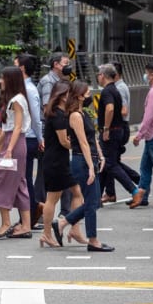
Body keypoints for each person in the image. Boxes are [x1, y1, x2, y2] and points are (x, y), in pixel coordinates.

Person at [56, 80, 113, 252]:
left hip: (91, 159)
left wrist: (101, 156)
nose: (90, 94)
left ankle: (64, 222)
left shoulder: (84, 113)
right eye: (87, 92)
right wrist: (90, 167)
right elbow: (83, 143)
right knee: (91, 202)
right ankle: (93, 240)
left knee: (94, 202)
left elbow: (92, 138)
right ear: (79, 95)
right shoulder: (75, 116)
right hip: (82, 161)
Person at [0, 66, 33, 239]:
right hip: (13, 143)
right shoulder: (13, 99)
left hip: (14, 144)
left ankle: (6, 223)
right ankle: (26, 225)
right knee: (20, 184)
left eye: (3, 78)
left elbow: (17, 127)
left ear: (10, 80)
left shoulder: (17, 100)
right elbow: (6, 129)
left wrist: (8, 149)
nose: (0, 81)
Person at [39, 81, 85, 248]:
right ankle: (47, 234)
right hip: (56, 162)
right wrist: (79, 145)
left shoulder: (57, 113)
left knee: (76, 193)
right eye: (69, 94)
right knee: (53, 198)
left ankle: (74, 228)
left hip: (59, 161)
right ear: (62, 95)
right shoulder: (57, 115)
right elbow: (64, 141)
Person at [96, 64, 144, 208]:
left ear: (103, 76)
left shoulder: (107, 91)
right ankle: (97, 196)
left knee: (110, 164)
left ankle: (134, 190)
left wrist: (106, 128)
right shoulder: (114, 89)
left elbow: (110, 109)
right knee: (105, 163)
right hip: (117, 130)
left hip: (111, 132)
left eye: (98, 74)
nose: (98, 77)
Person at [15, 54, 45, 228]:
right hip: (24, 138)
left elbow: (35, 118)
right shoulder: (21, 88)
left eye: (15, 65)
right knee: (21, 179)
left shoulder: (30, 90)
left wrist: (40, 138)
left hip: (29, 139)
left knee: (24, 179)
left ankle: (31, 213)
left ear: (22, 68)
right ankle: (30, 212)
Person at [132, 63, 153, 208]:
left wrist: (139, 135)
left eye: (146, 73)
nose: (145, 76)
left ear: (152, 75)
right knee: (145, 167)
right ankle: (142, 196)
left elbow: (149, 116)